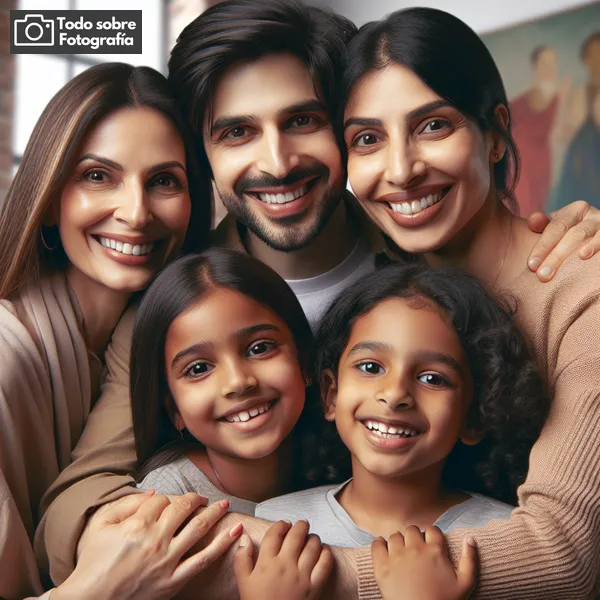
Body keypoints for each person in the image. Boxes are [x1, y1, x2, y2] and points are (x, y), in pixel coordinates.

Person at [36, 1, 600, 595]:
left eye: (304, 121)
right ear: (204, 156)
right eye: (237, 132)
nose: (276, 163)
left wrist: (308, 578)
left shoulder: (432, 272)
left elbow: (564, 546)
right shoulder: (182, 296)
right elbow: (79, 504)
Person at [337, 7, 600, 596]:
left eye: (433, 126)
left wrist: (301, 575)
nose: (400, 170)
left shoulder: (586, 287)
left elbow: (565, 555)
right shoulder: (383, 289)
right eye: (368, 139)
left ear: (495, 132)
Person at [0, 62, 229, 600]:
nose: (135, 212)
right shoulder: (7, 359)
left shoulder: (152, 340)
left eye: (164, 181)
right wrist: (103, 586)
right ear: (51, 196)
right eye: (98, 175)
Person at [257, 264, 547, 598]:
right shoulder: (272, 526)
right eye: (370, 367)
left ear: (476, 417)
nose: (395, 394)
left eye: (432, 378)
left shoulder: (509, 541)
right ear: (331, 393)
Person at [130, 248, 320, 510]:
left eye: (259, 348)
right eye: (198, 369)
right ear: (174, 408)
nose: (238, 382)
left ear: (304, 362)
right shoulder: (164, 499)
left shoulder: (347, 458)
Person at [510, 45, 570, 215]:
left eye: (552, 62)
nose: (549, 67)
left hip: (541, 159)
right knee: (525, 208)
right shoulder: (531, 96)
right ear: (535, 66)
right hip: (522, 159)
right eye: (544, 62)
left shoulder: (556, 92)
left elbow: (556, 128)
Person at [551, 32, 600, 211]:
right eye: (592, 54)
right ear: (586, 59)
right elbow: (570, 128)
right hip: (582, 161)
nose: (597, 59)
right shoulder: (579, 92)